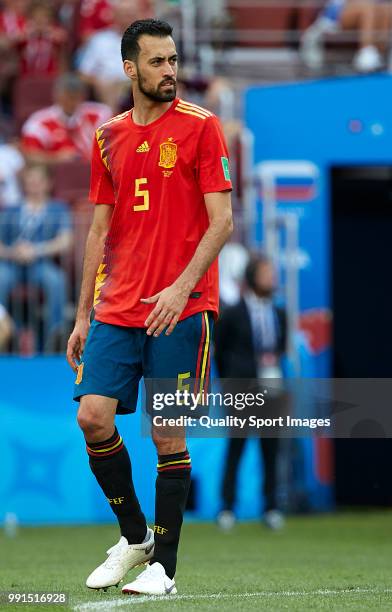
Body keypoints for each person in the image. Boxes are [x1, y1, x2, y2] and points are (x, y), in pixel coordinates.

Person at [67, 18, 233, 597]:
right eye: (158, 62)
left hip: (181, 309)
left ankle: (164, 566)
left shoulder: (202, 128)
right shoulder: (107, 135)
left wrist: (182, 287)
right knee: (92, 416)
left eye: (174, 60)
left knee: (167, 434)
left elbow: (222, 222)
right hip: (117, 304)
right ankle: (136, 536)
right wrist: (84, 313)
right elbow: (98, 232)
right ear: (130, 68)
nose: (171, 71)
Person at [214, 254, 287, 531]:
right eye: (267, 273)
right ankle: (227, 508)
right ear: (252, 277)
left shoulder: (279, 312)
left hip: (272, 386)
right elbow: (220, 352)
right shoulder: (233, 313)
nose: (272, 278)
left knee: (271, 447)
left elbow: (279, 348)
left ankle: (271, 507)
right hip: (242, 389)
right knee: (237, 446)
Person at [0, 164, 73, 348]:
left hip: (41, 263)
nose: (33, 185)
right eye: (29, 181)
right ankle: (5, 335)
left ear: (48, 183)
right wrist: (12, 252)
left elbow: (65, 241)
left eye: (38, 181)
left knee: (56, 281)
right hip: (11, 263)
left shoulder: (58, 209)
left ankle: (54, 337)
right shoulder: (11, 210)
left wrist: (36, 250)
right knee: (1, 278)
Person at [77, 0, 153, 110]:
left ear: (139, 16)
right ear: (114, 16)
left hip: (138, 83)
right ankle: (113, 124)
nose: (127, 18)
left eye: (130, 14)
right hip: (110, 86)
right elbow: (83, 73)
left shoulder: (150, 40)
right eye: (123, 14)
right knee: (108, 85)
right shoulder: (100, 40)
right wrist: (98, 82)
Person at [21, 72, 112, 163]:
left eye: (75, 97)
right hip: (56, 173)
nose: (71, 102)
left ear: (83, 96)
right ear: (57, 96)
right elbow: (30, 154)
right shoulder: (40, 122)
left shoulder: (99, 114)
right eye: (68, 97)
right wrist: (57, 158)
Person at [301, 0, 392, 73]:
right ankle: (366, 53)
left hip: (369, 8)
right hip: (334, 14)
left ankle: (379, 55)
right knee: (368, 7)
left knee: (387, 8)